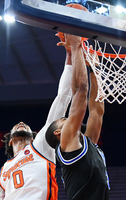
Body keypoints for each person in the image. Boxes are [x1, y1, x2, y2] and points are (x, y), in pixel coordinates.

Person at [0, 33, 74, 200]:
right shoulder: (1, 176)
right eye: (17, 125)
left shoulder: (41, 146)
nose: (21, 123)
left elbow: (63, 98)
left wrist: (71, 55)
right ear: (10, 141)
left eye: (25, 125)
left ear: (34, 135)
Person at [45, 32, 110, 200]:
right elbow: (80, 93)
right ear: (58, 133)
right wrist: (76, 47)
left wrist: (95, 71)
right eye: (62, 120)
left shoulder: (88, 144)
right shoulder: (66, 142)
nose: (67, 117)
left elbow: (97, 111)